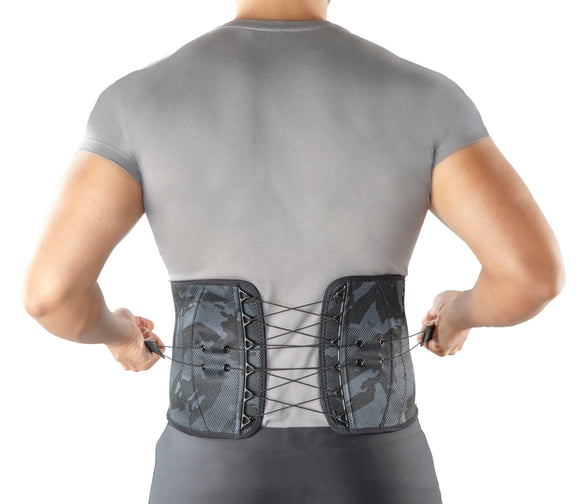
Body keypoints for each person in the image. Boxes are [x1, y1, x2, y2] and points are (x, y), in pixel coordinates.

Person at [20, 0, 565, 503]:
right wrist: (457, 315)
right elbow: (531, 278)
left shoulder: (136, 101)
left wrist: (122, 336)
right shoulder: (427, 98)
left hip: (206, 474)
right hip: (378, 471)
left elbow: (51, 297)